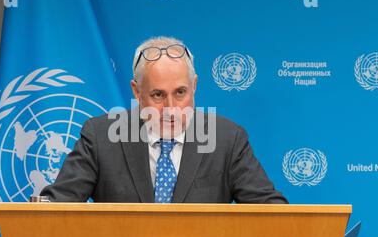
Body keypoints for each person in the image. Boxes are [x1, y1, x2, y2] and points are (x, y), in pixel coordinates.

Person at [39, 36, 288, 204]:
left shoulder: (227, 140)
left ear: (194, 86)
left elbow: (272, 213)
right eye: (158, 95)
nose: (171, 108)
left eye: (180, 93)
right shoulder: (101, 136)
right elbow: (56, 208)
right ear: (137, 92)